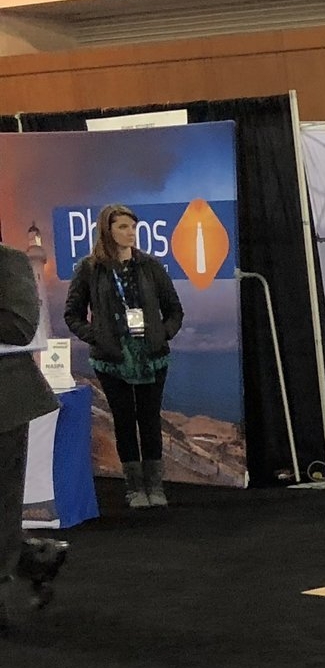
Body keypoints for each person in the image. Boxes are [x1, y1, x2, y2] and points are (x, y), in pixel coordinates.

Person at [64, 205, 184, 511]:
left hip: (151, 357)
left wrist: (162, 334)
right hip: (111, 360)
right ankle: (133, 487)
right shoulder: (89, 269)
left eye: (133, 227)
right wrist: (98, 337)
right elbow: (73, 314)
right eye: (123, 227)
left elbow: (174, 309)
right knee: (124, 421)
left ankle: (154, 485)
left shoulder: (150, 266)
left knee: (149, 418)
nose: (130, 233)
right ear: (108, 230)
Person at [0, 240, 65, 632]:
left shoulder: (9, 261)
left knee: (2, 502)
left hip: (6, 402)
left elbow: (21, 327)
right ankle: (38, 557)